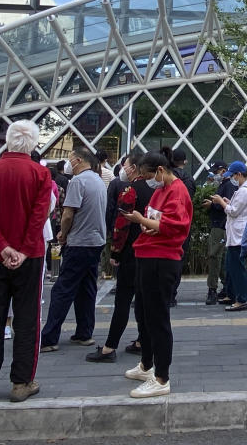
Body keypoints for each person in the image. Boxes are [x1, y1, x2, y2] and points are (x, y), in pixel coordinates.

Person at [0, 120, 52, 405]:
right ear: (32, 144)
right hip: (30, 258)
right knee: (27, 318)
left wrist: (2, 247)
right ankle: (21, 382)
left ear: (7, 141)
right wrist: (24, 251)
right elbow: (39, 216)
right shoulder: (41, 174)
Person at [119, 147, 193, 398]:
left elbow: (174, 227)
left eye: (146, 175)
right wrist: (145, 223)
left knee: (157, 318)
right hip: (148, 254)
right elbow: (156, 221)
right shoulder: (161, 190)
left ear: (160, 171)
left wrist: (141, 220)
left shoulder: (177, 190)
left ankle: (161, 377)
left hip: (162, 259)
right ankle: (147, 364)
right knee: (143, 313)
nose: (146, 181)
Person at [40, 146, 107, 352]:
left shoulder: (78, 181)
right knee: (87, 289)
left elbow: (68, 214)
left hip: (79, 242)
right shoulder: (98, 180)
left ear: (78, 161)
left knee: (63, 289)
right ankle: (84, 333)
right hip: (96, 241)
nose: (69, 164)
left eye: (71, 159)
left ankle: (49, 337)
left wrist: (63, 233)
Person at [87, 151, 152, 364]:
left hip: (131, 251)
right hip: (150, 251)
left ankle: (109, 347)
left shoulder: (130, 191)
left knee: (123, 299)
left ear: (133, 168)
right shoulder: (157, 190)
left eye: (125, 165)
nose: (122, 169)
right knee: (143, 300)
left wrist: (115, 252)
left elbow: (121, 226)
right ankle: (143, 341)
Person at [211, 161, 247, 312]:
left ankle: (241, 299)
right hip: (237, 234)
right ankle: (232, 295)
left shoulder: (244, 191)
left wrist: (221, 203)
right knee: (231, 266)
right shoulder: (246, 188)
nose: (231, 178)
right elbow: (238, 208)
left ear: (239, 175)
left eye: (233, 175)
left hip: (239, 235)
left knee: (238, 269)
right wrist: (228, 202)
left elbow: (234, 211)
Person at [170, 148, 196, 307]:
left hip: (167, 224)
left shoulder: (167, 178)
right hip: (184, 226)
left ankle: (165, 292)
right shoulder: (189, 180)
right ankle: (172, 294)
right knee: (179, 259)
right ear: (184, 162)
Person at [206, 161, 231, 305]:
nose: (214, 174)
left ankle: (213, 290)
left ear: (223, 170)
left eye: (216, 171)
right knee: (219, 258)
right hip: (220, 225)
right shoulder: (225, 185)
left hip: (220, 226)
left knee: (214, 256)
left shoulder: (227, 186)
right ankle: (226, 287)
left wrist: (212, 204)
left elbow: (226, 206)